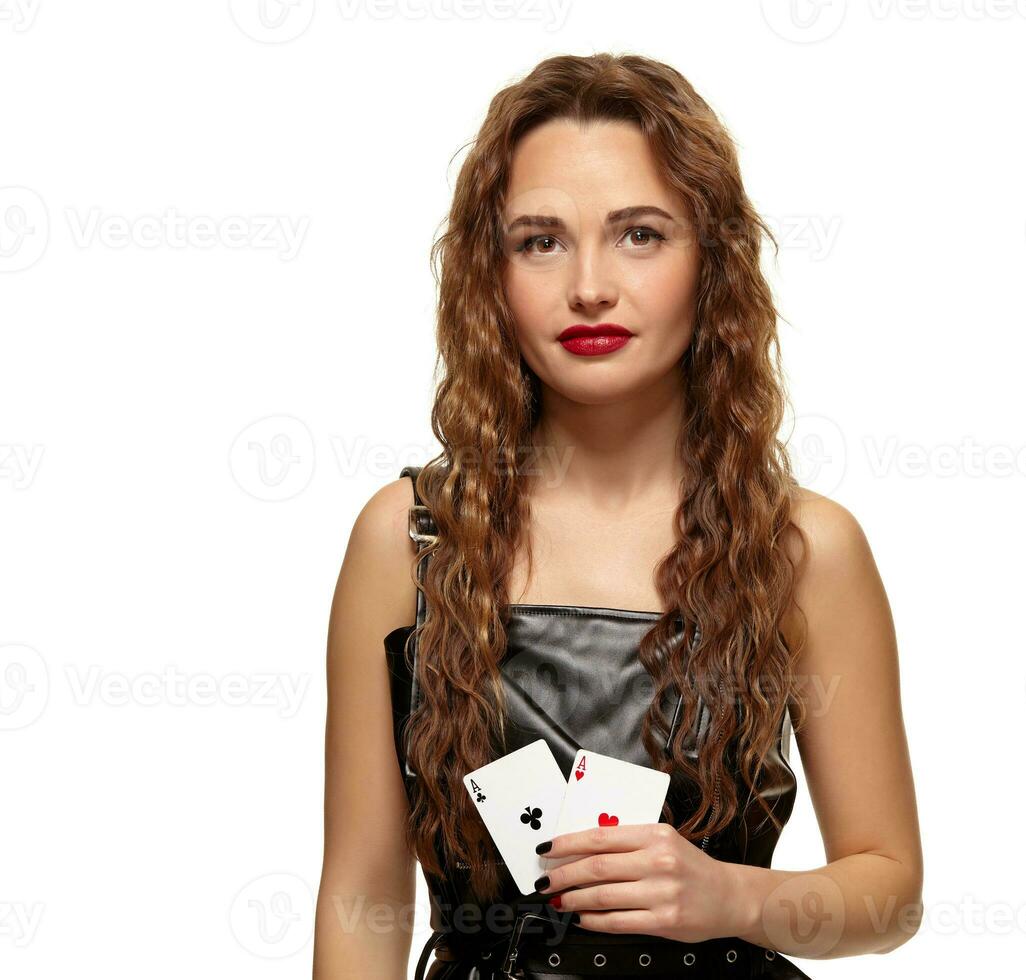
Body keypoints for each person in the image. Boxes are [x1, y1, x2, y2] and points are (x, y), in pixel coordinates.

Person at [313, 52, 923, 980]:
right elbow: (362, 896)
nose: (589, 285)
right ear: (492, 272)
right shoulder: (406, 537)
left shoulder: (803, 549)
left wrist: (733, 897)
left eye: (639, 234)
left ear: (711, 261)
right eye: (540, 241)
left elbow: (889, 890)